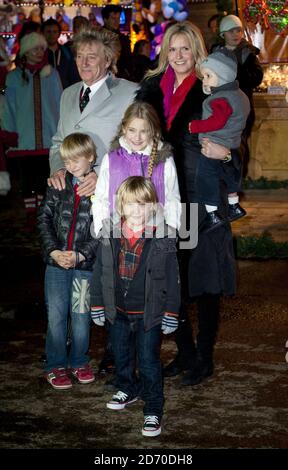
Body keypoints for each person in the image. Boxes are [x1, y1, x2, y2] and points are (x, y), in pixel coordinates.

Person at [136, 21, 237, 386]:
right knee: (167, 280)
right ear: (165, 53)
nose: (179, 56)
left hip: (198, 198)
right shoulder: (150, 90)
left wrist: (226, 155)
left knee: (204, 279)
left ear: (197, 51)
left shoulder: (212, 90)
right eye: (172, 50)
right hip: (160, 199)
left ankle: (204, 357)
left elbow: (234, 143)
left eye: (185, 49)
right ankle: (185, 351)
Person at [90, 176, 181, 437]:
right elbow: (99, 272)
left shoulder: (163, 237)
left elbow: (173, 280)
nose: (137, 210)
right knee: (120, 354)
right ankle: (128, 387)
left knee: (149, 361)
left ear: (153, 206)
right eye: (131, 204)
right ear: (120, 206)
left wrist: (171, 312)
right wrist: (96, 302)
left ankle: (153, 407)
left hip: (148, 314)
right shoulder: (109, 233)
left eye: (143, 204)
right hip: (118, 311)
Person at [38, 133, 99, 390]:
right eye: (67, 160)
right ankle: (55, 365)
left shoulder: (100, 188)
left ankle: (79, 361)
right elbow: (43, 220)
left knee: (81, 315)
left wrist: (81, 254)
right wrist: (53, 252)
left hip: (83, 266)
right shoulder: (58, 185)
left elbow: (102, 227)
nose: (71, 165)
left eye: (76, 160)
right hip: (56, 265)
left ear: (91, 158)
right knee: (56, 315)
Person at [49, 26, 138, 199]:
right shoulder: (67, 94)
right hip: (71, 193)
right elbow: (59, 141)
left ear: (107, 60)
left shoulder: (130, 93)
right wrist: (59, 168)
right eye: (80, 57)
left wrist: (100, 174)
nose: (84, 63)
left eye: (91, 57)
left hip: (112, 192)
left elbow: (136, 148)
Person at [92, 101, 181, 237]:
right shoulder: (111, 159)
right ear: (124, 128)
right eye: (132, 130)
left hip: (154, 236)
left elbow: (172, 200)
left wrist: (171, 233)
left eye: (143, 131)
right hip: (116, 235)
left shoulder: (165, 160)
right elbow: (101, 199)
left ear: (153, 131)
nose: (137, 137)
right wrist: (100, 230)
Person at [2, 32, 62, 227]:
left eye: (42, 49)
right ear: (26, 52)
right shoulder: (13, 78)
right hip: (25, 137)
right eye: (35, 48)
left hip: (49, 136)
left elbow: (61, 102)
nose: (40, 52)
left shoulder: (52, 75)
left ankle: (42, 214)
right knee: (28, 179)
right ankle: (30, 213)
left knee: (46, 179)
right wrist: (9, 132)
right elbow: (8, 107)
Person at [188, 50, 250, 232]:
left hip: (213, 144)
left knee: (205, 179)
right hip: (232, 142)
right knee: (229, 176)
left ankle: (212, 213)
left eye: (208, 76)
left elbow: (217, 121)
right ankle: (234, 205)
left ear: (222, 77)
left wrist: (195, 126)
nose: (204, 80)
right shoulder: (240, 95)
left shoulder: (220, 99)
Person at [214, 14, 263, 177]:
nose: (236, 34)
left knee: (239, 144)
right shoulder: (216, 52)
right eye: (231, 31)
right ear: (223, 34)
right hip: (220, 107)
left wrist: (236, 69)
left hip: (242, 108)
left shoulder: (248, 53)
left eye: (238, 30)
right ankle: (225, 179)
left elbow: (256, 78)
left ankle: (237, 180)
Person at [41, 18, 80, 89]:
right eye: (48, 32)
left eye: (55, 32)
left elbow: (74, 76)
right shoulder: (39, 53)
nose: (51, 35)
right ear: (43, 33)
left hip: (65, 93)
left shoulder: (67, 52)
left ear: (59, 34)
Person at [102, 4, 133, 80]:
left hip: (120, 78)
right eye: (113, 18)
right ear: (105, 19)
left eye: (118, 18)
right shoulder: (98, 37)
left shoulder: (124, 38)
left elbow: (129, 61)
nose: (117, 21)